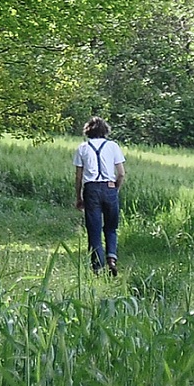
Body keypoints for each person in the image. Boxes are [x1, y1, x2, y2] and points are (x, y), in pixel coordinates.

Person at [73, 116, 125, 274]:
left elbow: (78, 177)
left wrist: (79, 197)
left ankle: (97, 267)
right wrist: (115, 189)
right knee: (111, 227)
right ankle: (112, 259)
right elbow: (121, 173)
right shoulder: (113, 146)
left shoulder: (82, 148)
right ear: (105, 131)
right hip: (109, 187)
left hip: (91, 189)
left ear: (88, 131)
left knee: (93, 229)